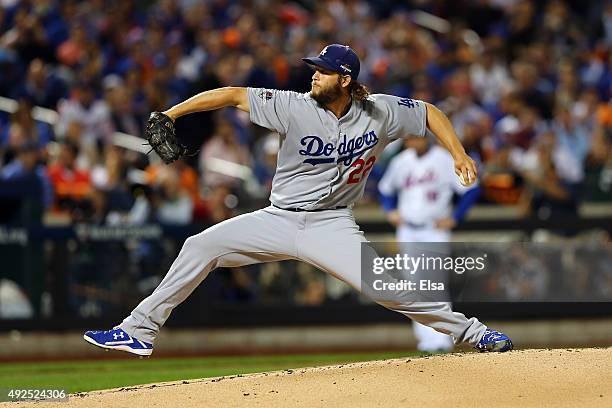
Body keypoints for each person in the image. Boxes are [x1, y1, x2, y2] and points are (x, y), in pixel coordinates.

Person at [83, 44, 512, 356]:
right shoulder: (292, 105)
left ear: (345, 80)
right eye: (314, 68)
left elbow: (429, 112)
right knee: (200, 245)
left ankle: (474, 334)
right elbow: (231, 94)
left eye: (323, 71)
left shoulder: (380, 111)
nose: (314, 75)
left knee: (390, 288)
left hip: (332, 225)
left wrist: (459, 153)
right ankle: (138, 330)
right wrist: (173, 114)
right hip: (279, 219)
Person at [378, 135, 481, 352]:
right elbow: (385, 189)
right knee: (414, 287)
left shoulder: (444, 159)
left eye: (415, 138)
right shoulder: (401, 161)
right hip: (408, 230)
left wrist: (456, 217)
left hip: (434, 230)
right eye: (409, 139)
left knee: (434, 284)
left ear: (426, 138)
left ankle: (443, 339)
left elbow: (472, 189)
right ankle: (427, 341)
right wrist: (390, 211)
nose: (412, 142)